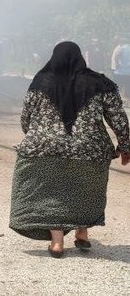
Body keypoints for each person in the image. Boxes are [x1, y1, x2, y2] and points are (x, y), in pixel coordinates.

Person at [10, 42, 130, 258]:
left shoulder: (40, 81)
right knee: (85, 189)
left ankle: (57, 244)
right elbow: (119, 119)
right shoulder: (101, 83)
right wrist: (124, 146)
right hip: (90, 150)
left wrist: (38, 136)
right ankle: (82, 233)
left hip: (45, 147)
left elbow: (26, 118)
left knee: (51, 192)